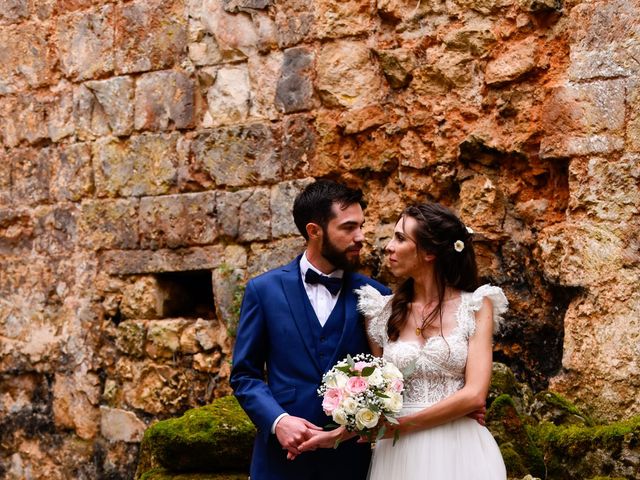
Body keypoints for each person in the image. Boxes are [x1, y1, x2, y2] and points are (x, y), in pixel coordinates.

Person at [300, 202, 508, 479]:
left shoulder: (477, 305)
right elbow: (377, 398)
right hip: (399, 455)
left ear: (430, 252)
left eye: (400, 238)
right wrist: (336, 435)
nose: (388, 247)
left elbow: (474, 395)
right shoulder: (378, 312)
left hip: (460, 447)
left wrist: (399, 427)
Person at [230, 180, 391, 480]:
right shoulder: (263, 291)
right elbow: (244, 375)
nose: (360, 237)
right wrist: (278, 421)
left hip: (350, 462)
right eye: (348, 227)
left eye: (362, 226)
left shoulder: (377, 295)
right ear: (314, 231)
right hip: (280, 462)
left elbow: (391, 375)